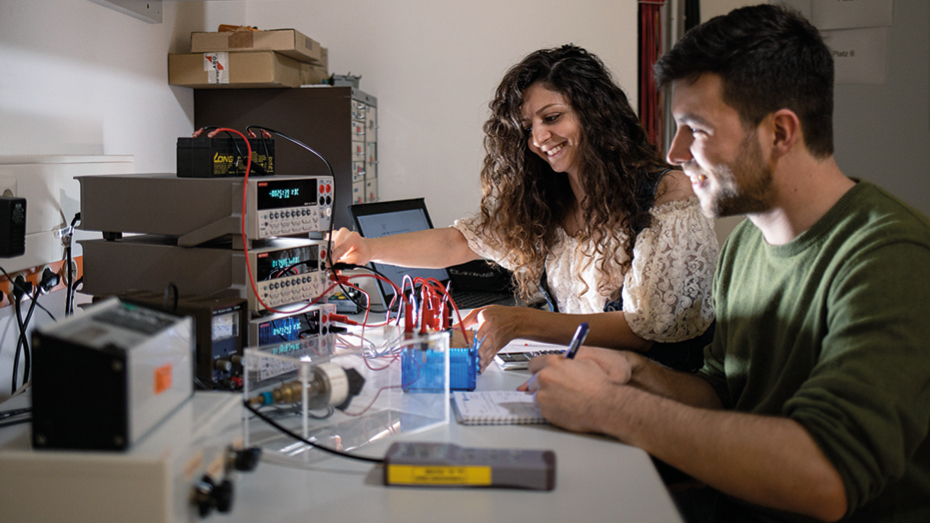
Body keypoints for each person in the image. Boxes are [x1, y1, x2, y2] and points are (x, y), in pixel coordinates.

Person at [523, 5, 930, 522]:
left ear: (780, 132)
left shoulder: (889, 256)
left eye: (695, 128)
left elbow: (825, 475)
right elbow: (721, 392)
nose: (674, 153)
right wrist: (632, 371)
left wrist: (609, 406)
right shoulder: (746, 246)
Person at [332, 45, 718, 372]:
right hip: (588, 383)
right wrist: (367, 249)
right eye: (527, 127)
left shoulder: (669, 195)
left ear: (596, 113)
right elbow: (456, 244)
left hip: (660, 399)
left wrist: (519, 322)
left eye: (552, 118)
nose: (538, 138)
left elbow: (642, 331)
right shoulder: (548, 203)